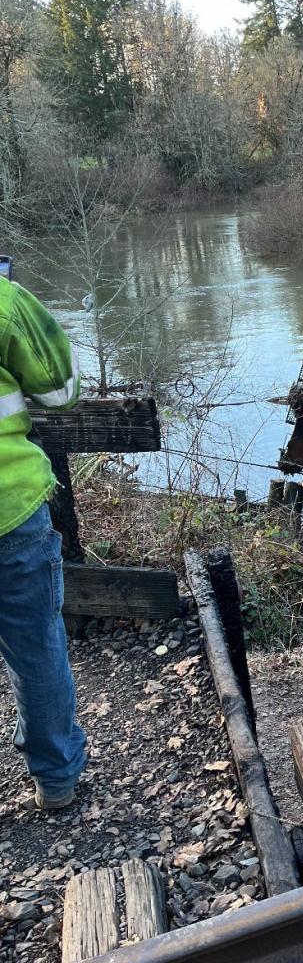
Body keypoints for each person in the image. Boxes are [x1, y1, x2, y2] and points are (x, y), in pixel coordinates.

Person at [0, 273, 85, 810]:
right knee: (36, 649)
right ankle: (55, 779)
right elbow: (61, 392)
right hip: (10, 510)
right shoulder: (4, 301)